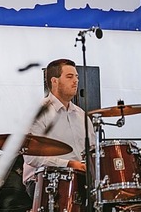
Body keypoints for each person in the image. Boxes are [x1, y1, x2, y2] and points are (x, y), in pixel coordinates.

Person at [22, 59, 96, 201]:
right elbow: (31, 157)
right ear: (54, 81)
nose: (76, 81)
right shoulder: (38, 112)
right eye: (70, 77)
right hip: (44, 180)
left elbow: (91, 151)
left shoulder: (82, 115)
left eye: (77, 77)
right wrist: (68, 164)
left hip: (79, 177)